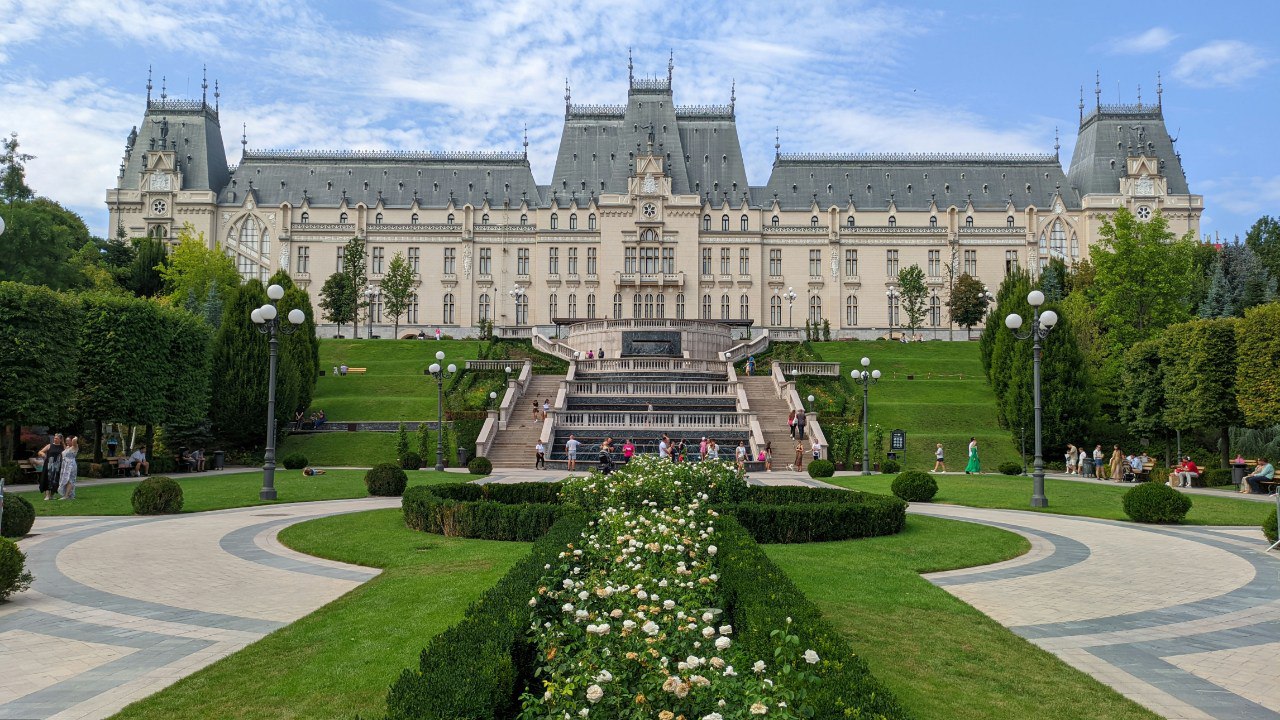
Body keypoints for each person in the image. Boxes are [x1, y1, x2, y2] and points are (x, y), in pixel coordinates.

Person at [37, 433, 64, 501]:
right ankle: (47, 496)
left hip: (58, 466)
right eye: (54, 438)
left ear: (60, 440)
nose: (55, 439)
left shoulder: (62, 447)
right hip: (48, 465)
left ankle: (51, 495)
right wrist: (43, 454)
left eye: (57, 438)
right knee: (47, 479)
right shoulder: (49, 446)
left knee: (56, 480)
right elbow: (40, 452)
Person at [58, 436, 78, 500]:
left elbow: (74, 441)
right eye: (66, 441)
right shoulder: (67, 447)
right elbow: (65, 452)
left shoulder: (75, 446)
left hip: (71, 465)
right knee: (66, 480)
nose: (67, 442)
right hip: (65, 465)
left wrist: (75, 437)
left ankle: (66, 496)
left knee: (70, 480)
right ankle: (67, 494)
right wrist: (63, 441)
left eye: (68, 440)